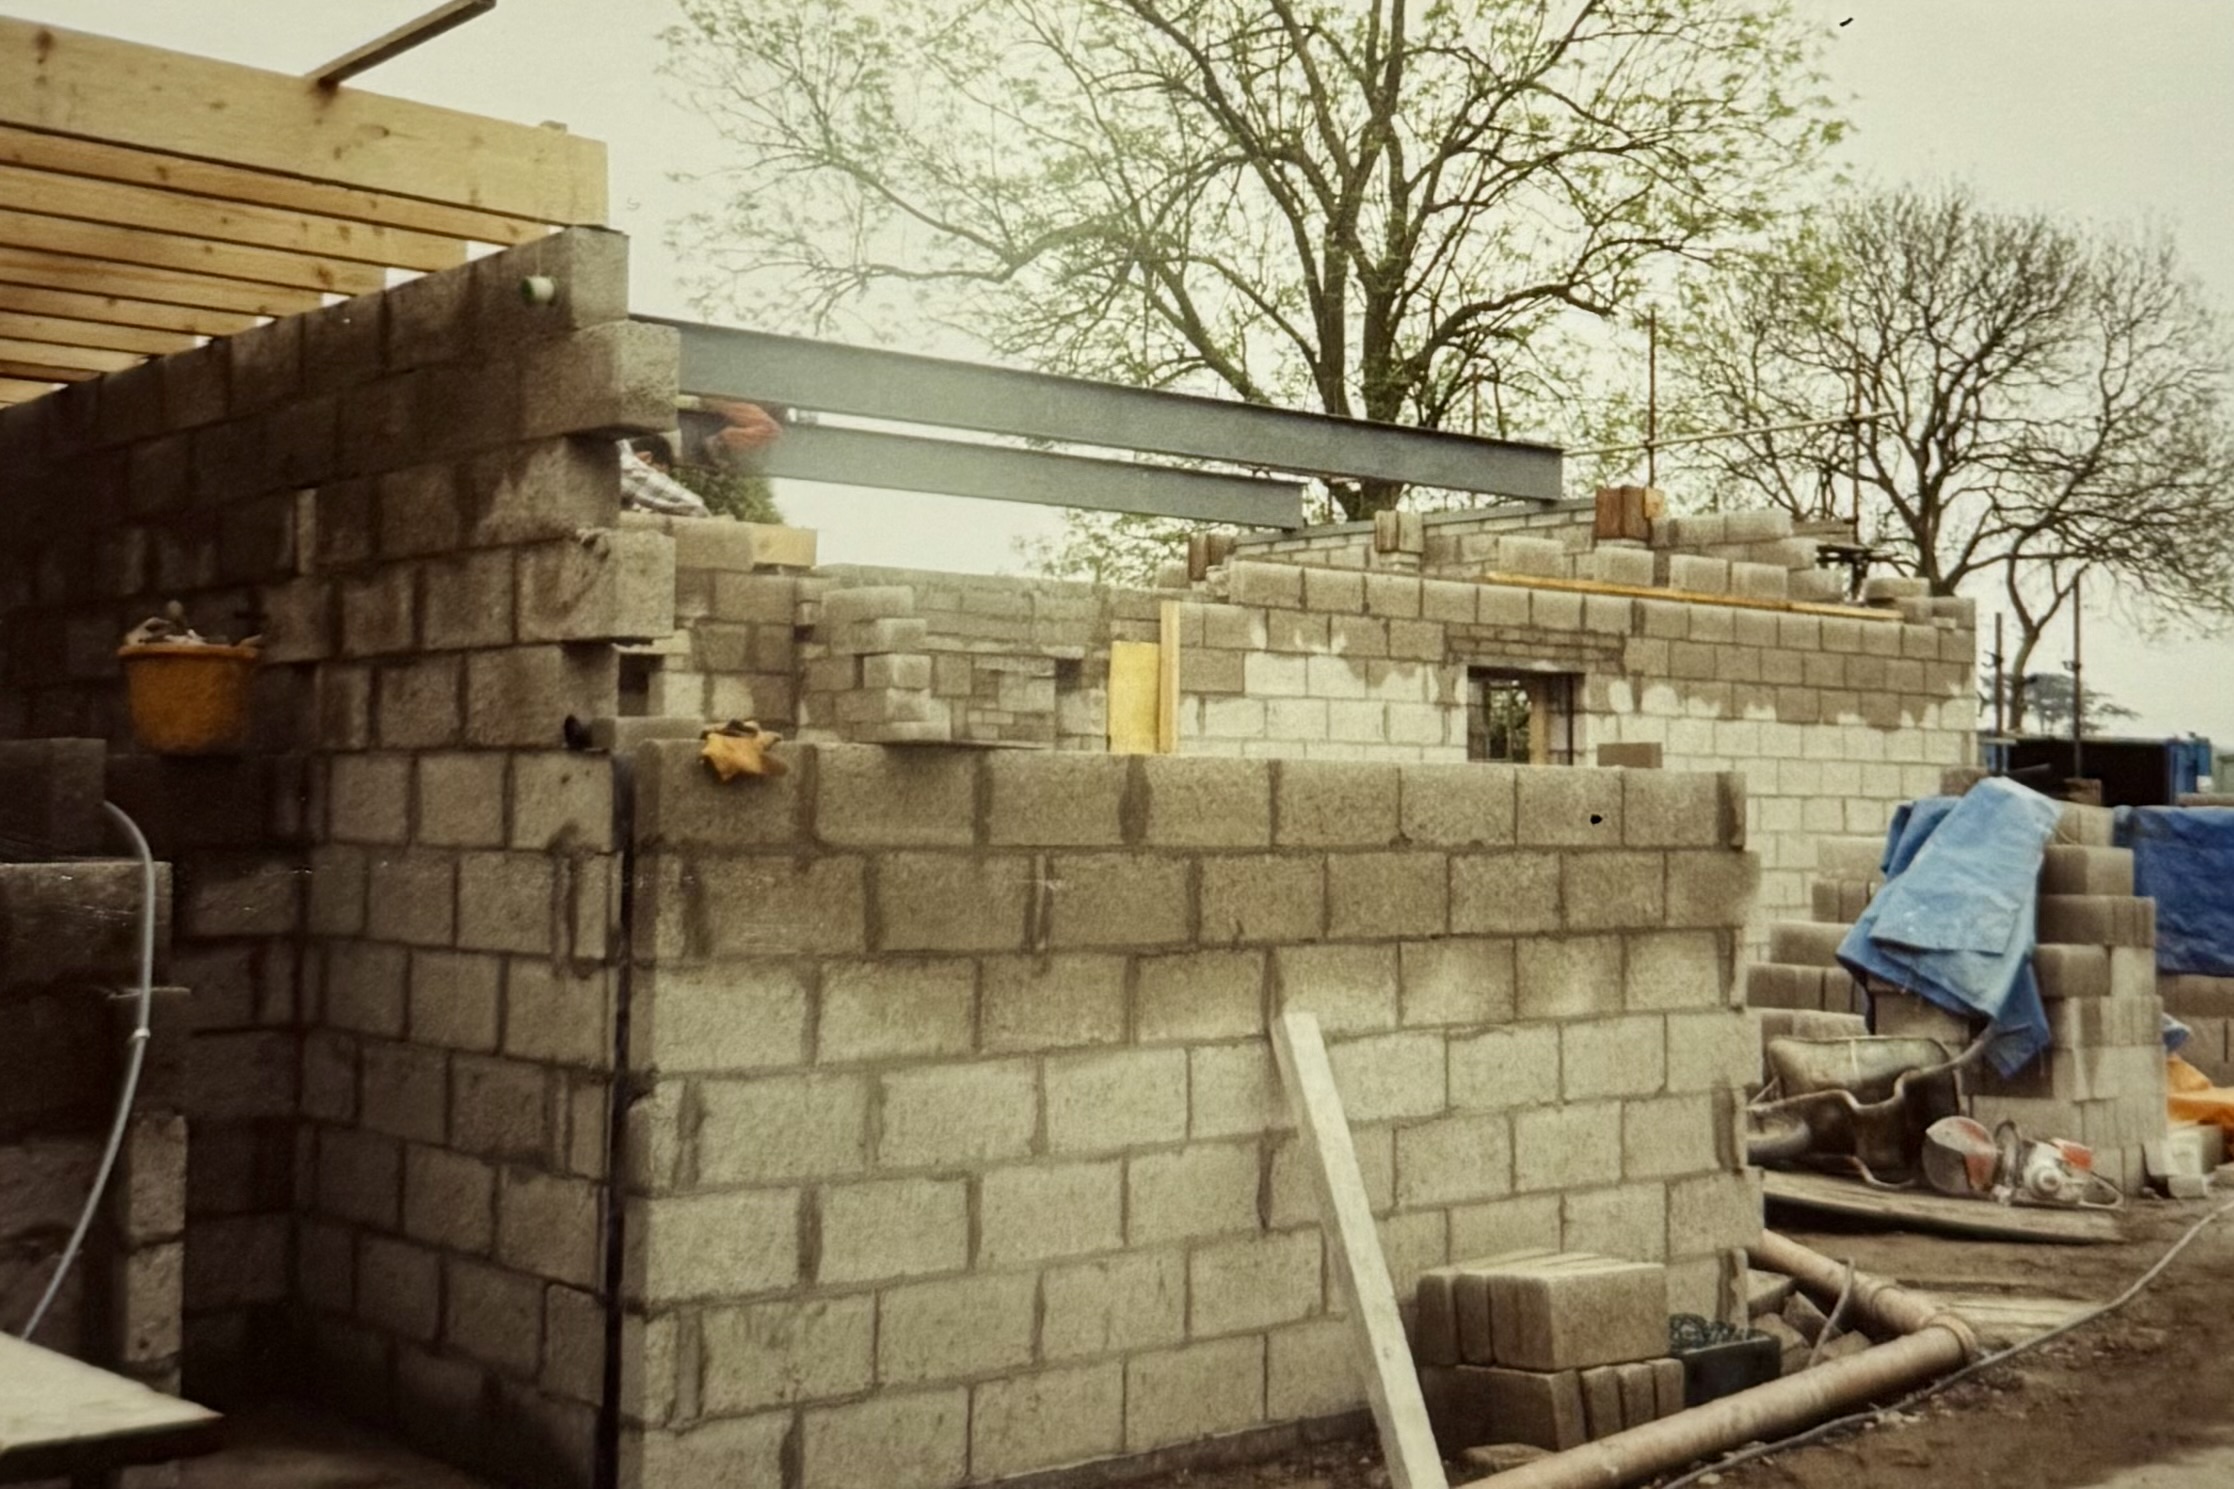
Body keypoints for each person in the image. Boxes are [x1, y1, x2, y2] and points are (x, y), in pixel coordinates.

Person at [618, 399, 783, 516]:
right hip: (688, 420)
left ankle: (720, 443)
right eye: (657, 474)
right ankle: (719, 443)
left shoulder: (617, 445)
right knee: (769, 428)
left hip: (684, 427)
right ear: (646, 458)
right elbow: (692, 506)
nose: (655, 477)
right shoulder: (618, 460)